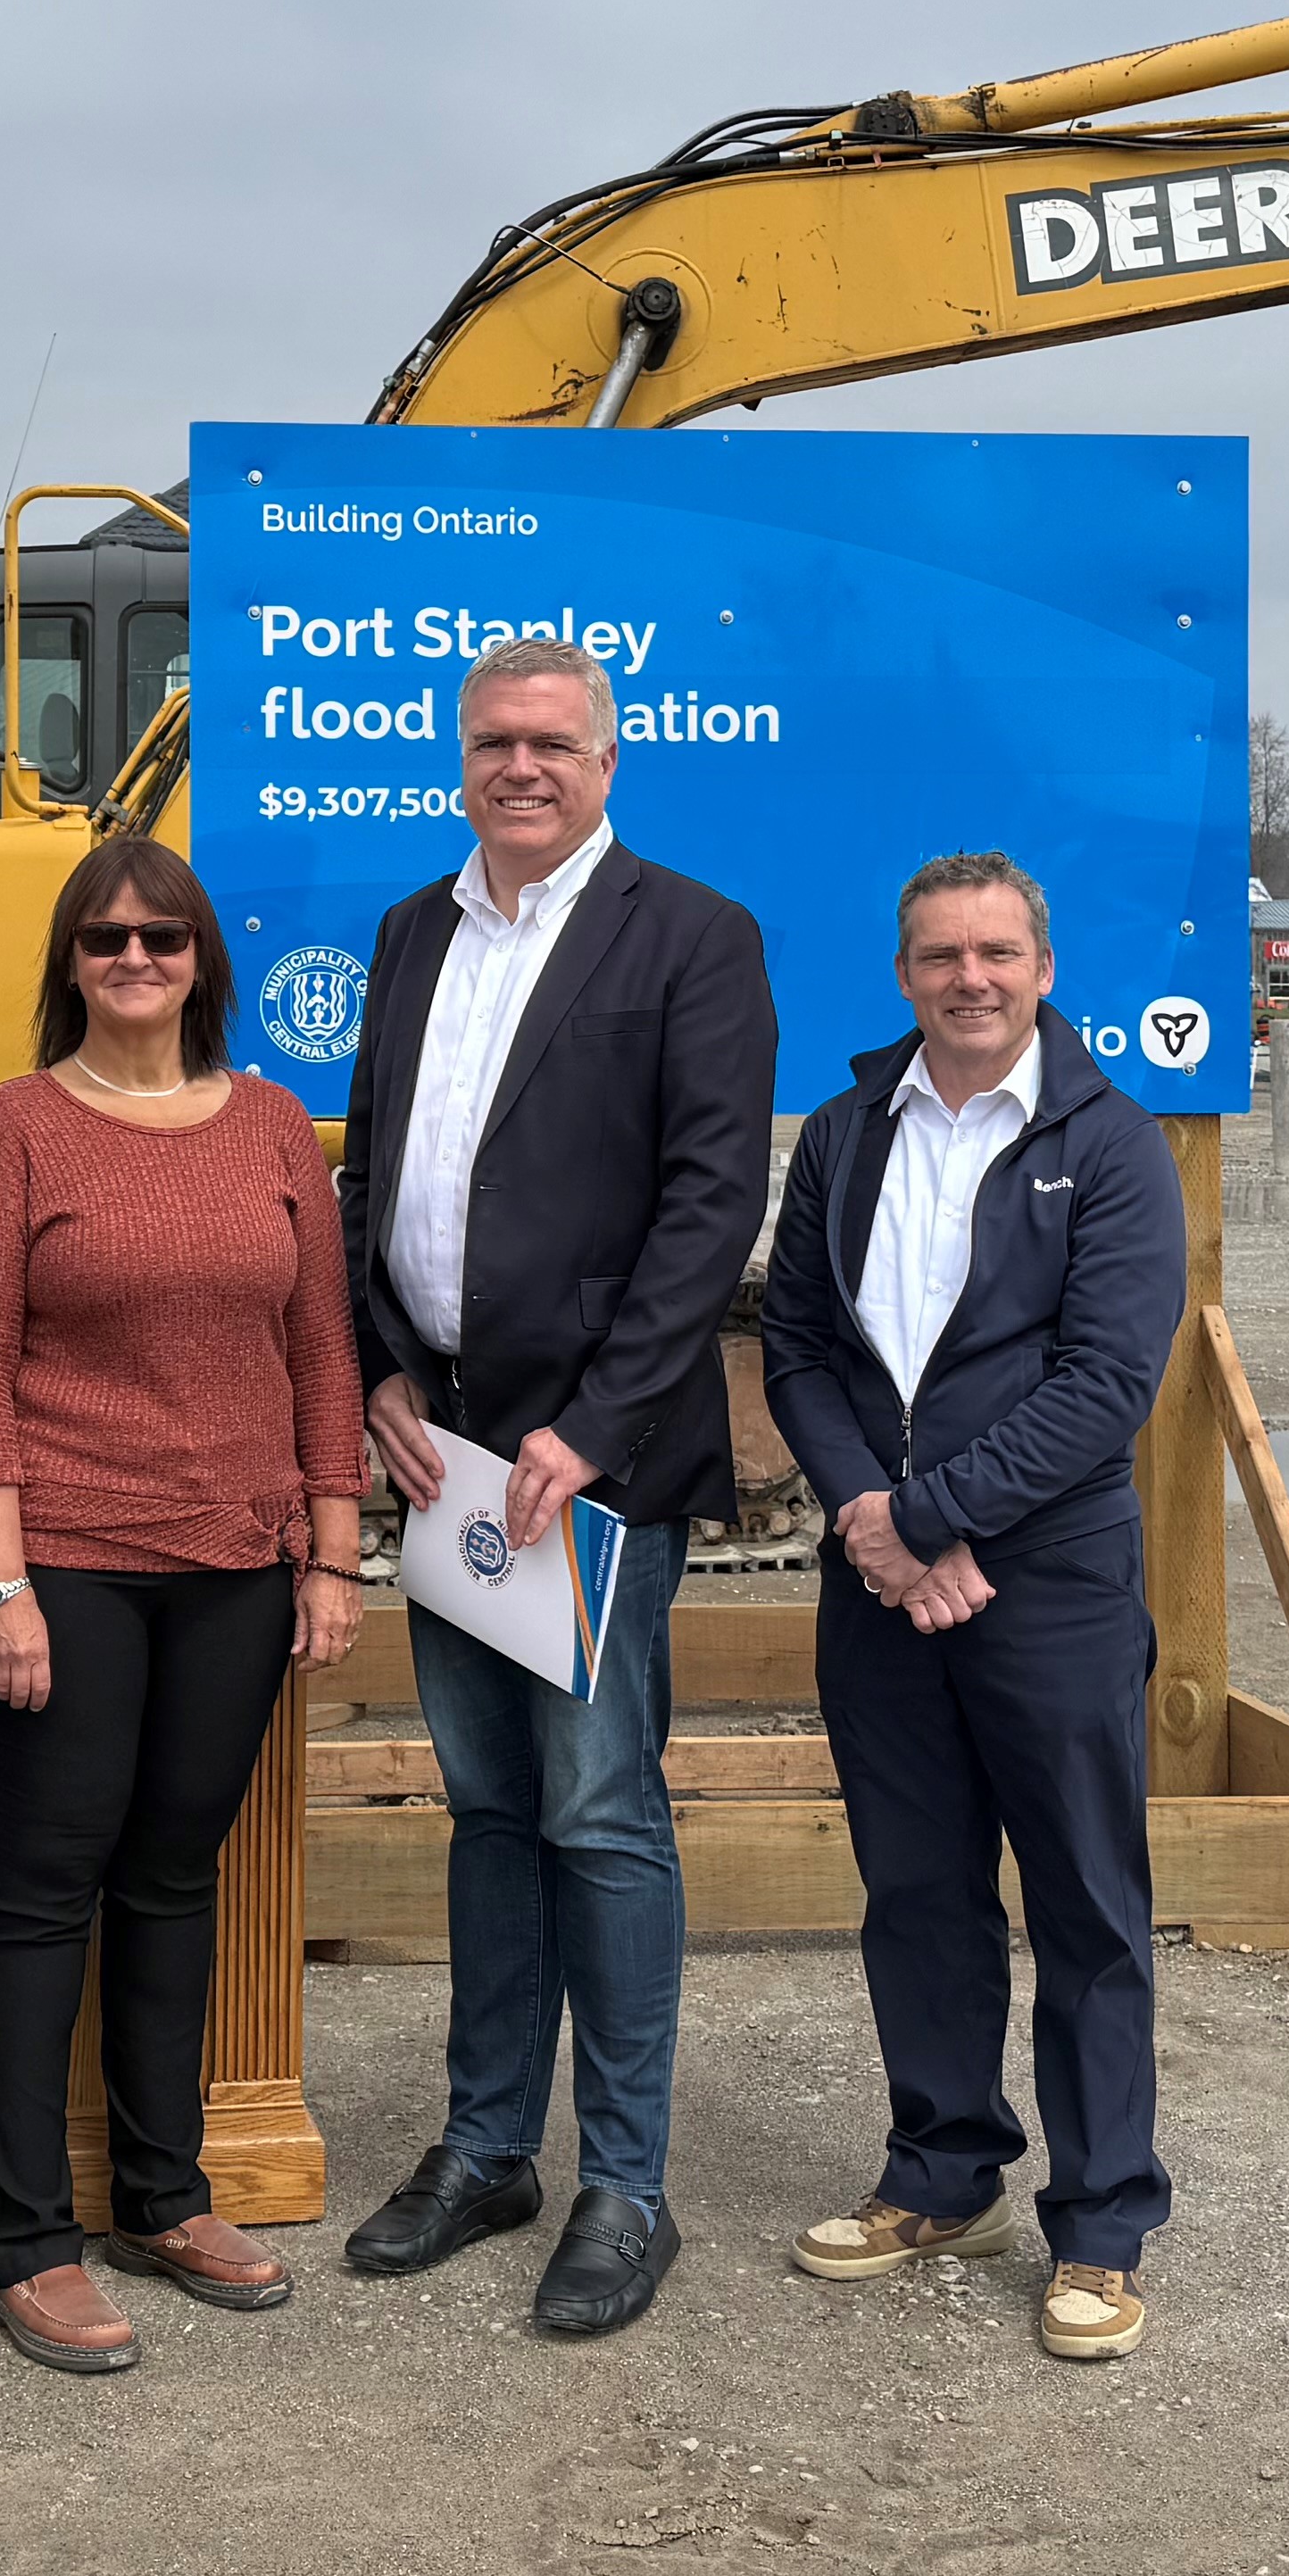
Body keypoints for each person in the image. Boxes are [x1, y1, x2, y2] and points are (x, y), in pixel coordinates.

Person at [337, 635, 777, 2338]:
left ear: (609, 759)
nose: (520, 767)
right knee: (488, 1809)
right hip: (446, 1455)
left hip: (586, 1470)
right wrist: (378, 1360)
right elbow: (377, 1164)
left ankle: (629, 2186)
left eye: (553, 743)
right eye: (493, 741)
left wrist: (589, 1428)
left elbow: (704, 1206)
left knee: (601, 1812)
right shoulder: (413, 931)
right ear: (462, 755)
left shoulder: (693, 935)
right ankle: (484, 2148)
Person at [0, 834, 370, 2373]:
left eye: (161, 940)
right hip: (61, 1562)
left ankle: (163, 2197)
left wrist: (329, 1554)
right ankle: (21, 2239)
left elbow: (323, 1351)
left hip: (237, 1570)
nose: (132, 961)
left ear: (202, 962)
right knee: (44, 1894)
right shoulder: (16, 1129)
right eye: (104, 940)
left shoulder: (270, 1129)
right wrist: (0, 1582)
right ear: (68, 962)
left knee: (179, 1884)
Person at [756, 851, 1186, 2364]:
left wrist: (926, 1515)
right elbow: (796, 1344)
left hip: (1049, 1582)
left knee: (1084, 1902)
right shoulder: (845, 1134)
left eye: (997, 952)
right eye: (940, 955)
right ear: (903, 975)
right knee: (920, 1894)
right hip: (881, 1586)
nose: (970, 979)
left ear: (1045, 967)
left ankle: (1107, 2222)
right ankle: (944, 2172)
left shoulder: (1112, 1144)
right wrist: (872, 1524)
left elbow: (1107, 1385)